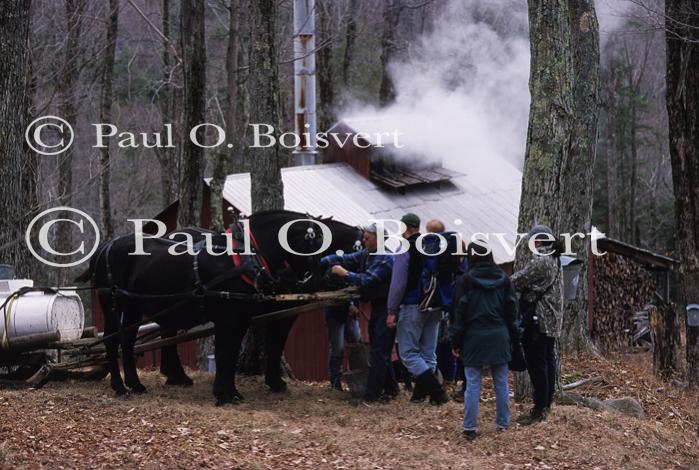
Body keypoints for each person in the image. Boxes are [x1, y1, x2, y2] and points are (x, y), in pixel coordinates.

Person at [450, 241, 521, 440]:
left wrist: (455, 341)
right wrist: (516, 338)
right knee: (501, 382)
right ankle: (503, 423)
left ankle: (470, 428)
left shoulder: (464, 281)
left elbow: (459, 314)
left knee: (473, 384)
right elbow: (512, 312)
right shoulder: (505, 280)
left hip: (473, 337)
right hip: (500, 335)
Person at [320, 224, 395, 403]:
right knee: (379, 348)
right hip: (378, 306)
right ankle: (392, 388)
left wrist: (343, 273)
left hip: (386, 307)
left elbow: (368, 280)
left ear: (378, 239)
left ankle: (372, 396)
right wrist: (322, 261)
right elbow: (347, 258)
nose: (363, 241)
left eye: (367, 238)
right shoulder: (368, 253)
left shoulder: (385, 257)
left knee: (378, 351)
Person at [386, 213, 450, 405]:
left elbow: (398, 283)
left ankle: (438, 394)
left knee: (409, 354)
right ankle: (420, 396)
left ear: (404, 227)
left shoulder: (404, 248)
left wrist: (391, 310)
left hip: (413, 304)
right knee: (428, 353)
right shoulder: (433, 246)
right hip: (436, 304)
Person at [511, 224, 563, 425]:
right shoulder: (555, 258)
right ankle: (546, 403)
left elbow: (518, 280)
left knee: (537, 364)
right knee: (548, 361)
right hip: (551, 319)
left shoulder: (541, 260)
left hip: (538, 320)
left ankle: (540, 407)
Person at [325, 301, 361, 391]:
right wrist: (349, 305)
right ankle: (335, 383)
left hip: (351, 314)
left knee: (357, 347)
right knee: (337, 350)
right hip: (335, 313)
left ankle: (358, 381)